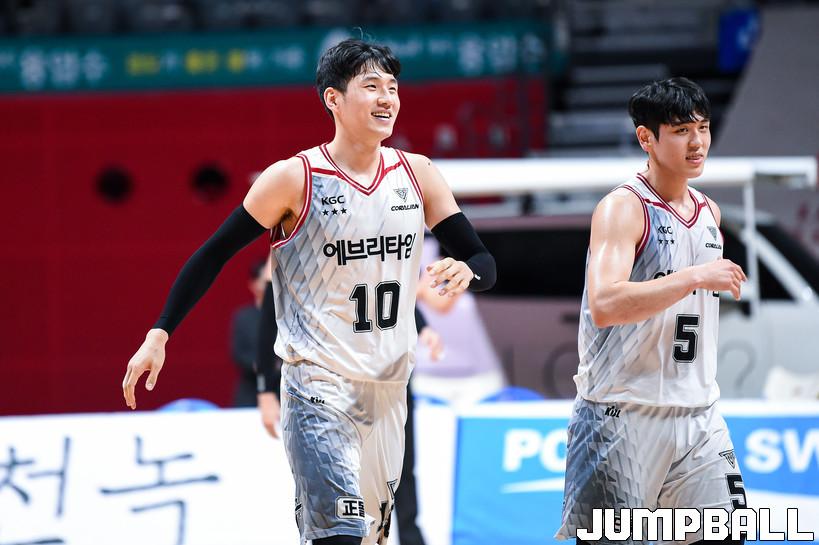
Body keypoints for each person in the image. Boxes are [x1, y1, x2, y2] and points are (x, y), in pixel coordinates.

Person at [121, 38, 495, 545]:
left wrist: (468, 270)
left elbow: (483, 260)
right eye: (371, 87)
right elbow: (212, 254)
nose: (387, 98)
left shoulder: (419, 174)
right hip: (318, 386)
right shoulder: (293, 179)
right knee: (338, 534)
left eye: (392, 88)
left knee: (371, 538)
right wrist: (160, 331)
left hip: (389, 390)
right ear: (333, 99)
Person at [555, 77, 748, 545]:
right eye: (681, 131)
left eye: (702, 128)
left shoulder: (709, 213)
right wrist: (695, 277)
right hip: (621, 415)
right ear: (647, 138)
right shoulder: (623, 208)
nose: (697, 142)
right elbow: (605, 304)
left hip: (699, 414)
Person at [413, 236, 505, 408]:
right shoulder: (408, 283)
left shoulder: (456, 269)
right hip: (427, 374)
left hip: (477, 376)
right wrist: (419, 287)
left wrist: (426, 284)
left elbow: (443, 303)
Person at [229, 258, 269, 407]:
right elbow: (238, 353)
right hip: (250, 391)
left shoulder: (286, 315)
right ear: (253, 284)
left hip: (281, 386)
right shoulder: (243, 317)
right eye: (264, 280)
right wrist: (258, 365)